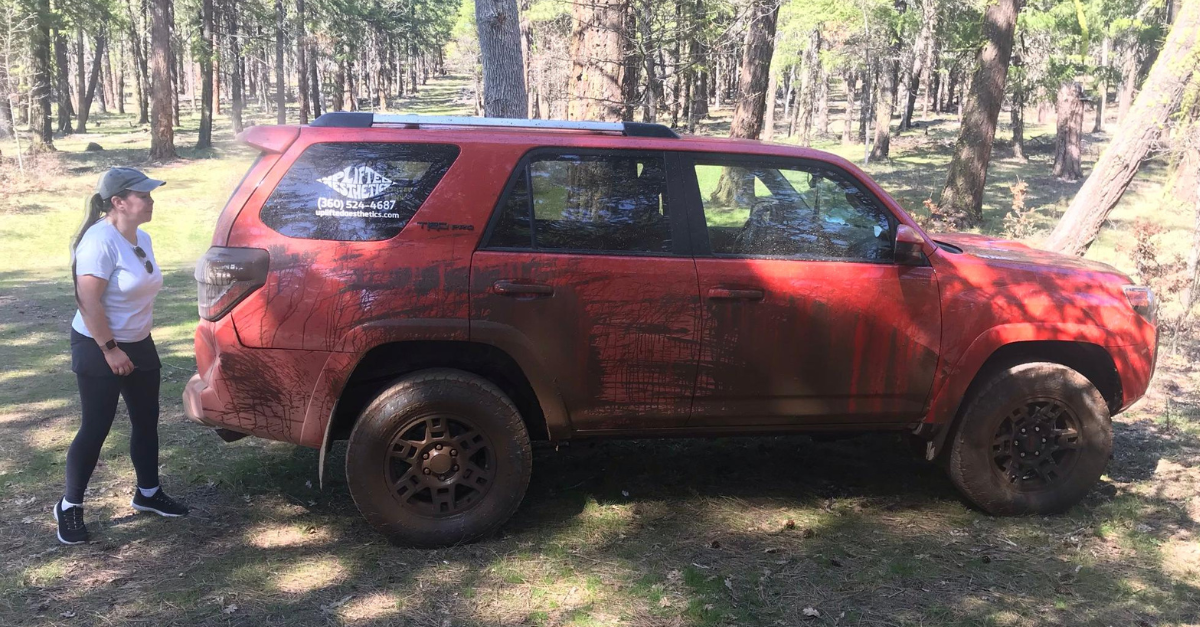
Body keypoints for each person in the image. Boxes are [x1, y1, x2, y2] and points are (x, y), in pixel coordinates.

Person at [55, 167, 188, 545]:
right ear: (118, 202)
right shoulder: (99, 242)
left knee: (146, 420)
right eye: (143, 195)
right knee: (96, 426)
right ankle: (69, 506)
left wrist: (132, 339)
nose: (150, 200)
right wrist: (110, 349)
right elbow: (88, 301)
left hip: (138, 341)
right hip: (99, 344)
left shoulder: (141, 236)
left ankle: (147, 492)